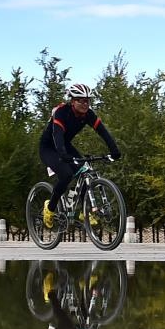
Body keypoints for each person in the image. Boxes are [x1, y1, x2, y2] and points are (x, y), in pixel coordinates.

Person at [38, 83, 122, 228]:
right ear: (72, 101)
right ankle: (50, 208)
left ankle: (84, 211)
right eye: (81, 101)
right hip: (49, 148)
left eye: (87, 101)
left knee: (85, 170)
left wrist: (114, 150)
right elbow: (57, 135)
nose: (85, 104)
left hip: (65, 145)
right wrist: (63, 154)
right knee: (66, 174)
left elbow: (103, 132)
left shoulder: (88, 114)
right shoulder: (61, 112)